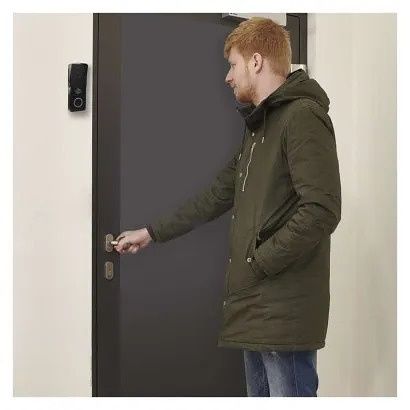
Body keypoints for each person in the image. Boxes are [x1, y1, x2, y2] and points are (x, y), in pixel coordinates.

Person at [114, 17, 341, 397]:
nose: (228, 76)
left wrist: (260, 261)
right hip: (255, 308)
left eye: (233, 64)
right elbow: (216, 195)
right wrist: (151, 232)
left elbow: (322, 208)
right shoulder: (260, 128)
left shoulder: (302, 117)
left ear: (256, 61)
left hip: (282, 313)